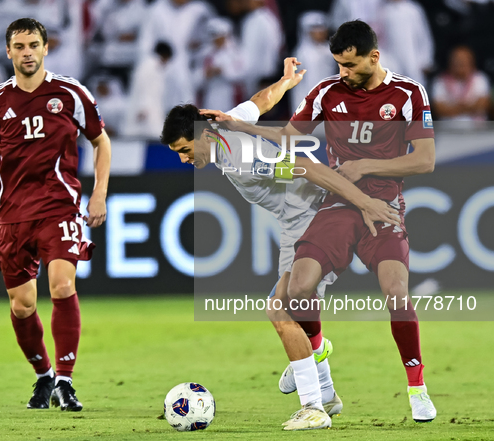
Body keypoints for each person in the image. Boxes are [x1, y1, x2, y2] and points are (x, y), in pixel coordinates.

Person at [215, 20, 438, 427]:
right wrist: (242, 126)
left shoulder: (407, 94)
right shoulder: (326, 92)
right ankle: (317, 355)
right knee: (298, 287)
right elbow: (288, 137)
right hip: (337, 205)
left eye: (350, 66)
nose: (343, 74)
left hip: (384, 206)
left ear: (374, 57)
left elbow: (425, 160)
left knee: (397, 294)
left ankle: (416, 387)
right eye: (337, 65)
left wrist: (366, 164)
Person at [161, 57, 402, 431]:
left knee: (280, 310)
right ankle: (325, 392)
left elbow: (311, 168)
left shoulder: (244, 157)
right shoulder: (222, 125)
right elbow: (259, 102)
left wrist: (364, 202)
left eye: (184, 148)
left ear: (202, 135)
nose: (182, 157)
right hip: (294, 224)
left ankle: (313, 407)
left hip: (316, 217)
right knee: (293, 312)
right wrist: (287, 81)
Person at [0, 18, 111, 412]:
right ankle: (43, 376)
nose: (27, 52)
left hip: (58, 206)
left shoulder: (70, 94)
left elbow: (101, 141)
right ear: (8, 52)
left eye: (33, 45)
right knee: (22, 305)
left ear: (45, 48)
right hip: (12, 215)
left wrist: (99, 193)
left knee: (61, 285)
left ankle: (66, 381)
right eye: (19, 46)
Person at [432, 45, 491, 122]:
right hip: (447, 130)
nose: (460, 65)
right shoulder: (440, 81)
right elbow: (438, 109)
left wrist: (454, 108)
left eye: (463, 61)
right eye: (457, 62)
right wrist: (469, 108)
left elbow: (483, 105)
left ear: (471, 62)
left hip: (476, 129)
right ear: (450, 63)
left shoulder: (480, 78)